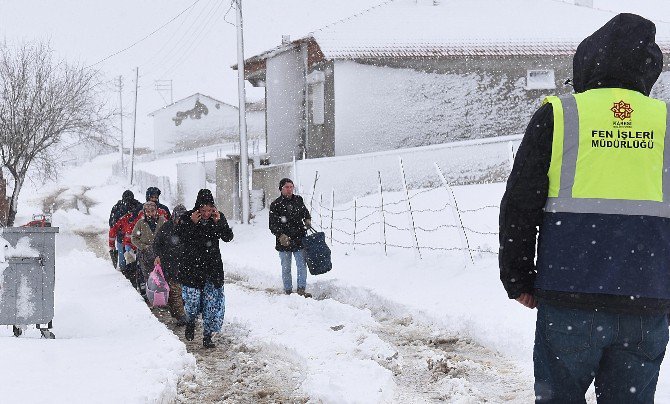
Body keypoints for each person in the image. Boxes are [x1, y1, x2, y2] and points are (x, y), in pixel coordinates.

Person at [499, 13, 670, 403]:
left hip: (568, 300)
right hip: (645, 305)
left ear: (588, 63)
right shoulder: (665, 124)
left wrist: (518, 277)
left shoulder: (559, 116)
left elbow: (520, 205)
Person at [176, 189, 233, 348]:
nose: (207, 213)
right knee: (192, 302)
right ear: (197, 209)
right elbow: (180, 238)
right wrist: (191, 224)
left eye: (209, 210)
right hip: (192, 267)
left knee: (211, 304)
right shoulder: (187, 218)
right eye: (203, 210)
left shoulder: (217, 218)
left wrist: (219, 222)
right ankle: (191, 321)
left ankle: (207, 337)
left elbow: (228, 237)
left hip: (212, 267)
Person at [269, 178, 312, 297]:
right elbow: (272, 225)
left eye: (291, 187)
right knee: (286, 267)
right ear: (281, 189)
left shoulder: (298, 200)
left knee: (301, 265)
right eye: (286, 187)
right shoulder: (275, 205)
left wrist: (307, 220)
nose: (289, 189)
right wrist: (280, 235)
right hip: (284, 241)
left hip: (299, 238)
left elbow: (305, 212)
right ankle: (288, 290)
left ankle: (301, 290)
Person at [153, 204, 188, 326]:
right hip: (169, 264)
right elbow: (156, 243)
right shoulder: (166, 228)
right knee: (175, 291)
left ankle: (179, 313)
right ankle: (180, 315)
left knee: (182, 291)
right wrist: (157, 256)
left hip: (185, 264)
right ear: (174, 217)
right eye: (179, 218)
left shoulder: (190, 228)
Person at [131, 201, 167, 301]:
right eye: (147, 211)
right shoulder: (141, 223)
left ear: (156, 211)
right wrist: (144, 247)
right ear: (144, 212)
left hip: (159, 254)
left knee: (160, 276)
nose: (150, 213)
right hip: (144, 255)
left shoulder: (162, 221)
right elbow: (134, 238)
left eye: (152, 211)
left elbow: (168, 236)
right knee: (147, 275)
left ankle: (161, 296)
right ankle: (149, 296)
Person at [109, 198, 144, 289]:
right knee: (126, 263)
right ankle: (129, 283)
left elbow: (113, 229)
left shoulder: (136, 214)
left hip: (131, 242)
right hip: (126, 242)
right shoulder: (121, 213)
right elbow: (113, 228)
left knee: (132, 264)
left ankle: (133, 282)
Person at [108, 190, 138, 270]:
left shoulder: (137, 207)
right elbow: (112, 226)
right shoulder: (118, 209)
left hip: (134, 239)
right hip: (125, 239)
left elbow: (112, 226)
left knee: (130, 262)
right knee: (124, 263)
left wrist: (111, 246)